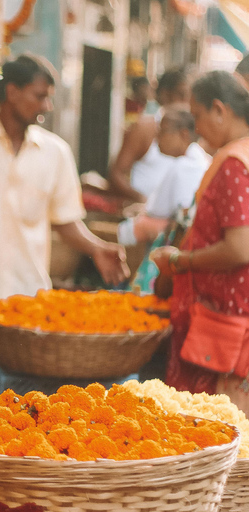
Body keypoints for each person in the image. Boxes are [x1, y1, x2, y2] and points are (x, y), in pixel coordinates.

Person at [0, 54, 130, 404]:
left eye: (49, 97)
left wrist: (96, 248)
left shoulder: (55, 153)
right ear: (11, 92)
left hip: (28, 304)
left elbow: (65, 222)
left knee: (21, 407)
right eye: (39, 95)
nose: (46, 105)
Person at [151, 71, 249, 406]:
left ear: (220, 110)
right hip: (229, 321)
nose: (197, 129)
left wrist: (180, 260)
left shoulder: (235, 162)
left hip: (222, 325)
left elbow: (240, 247)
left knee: (211, 429)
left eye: (198, 116)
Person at [118, 108, 211, 250]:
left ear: (184, 135)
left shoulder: (188, 166)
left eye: (163, 131)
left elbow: (182, 219)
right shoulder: (190, 159)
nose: (157, 138)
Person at [108, 68, 190, 203]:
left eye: (188, 97)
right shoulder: (144, 127)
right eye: (181, 95)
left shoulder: (192, 131)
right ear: (165, 95)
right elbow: (116, 174)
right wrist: (142, 200)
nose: (185, 102)